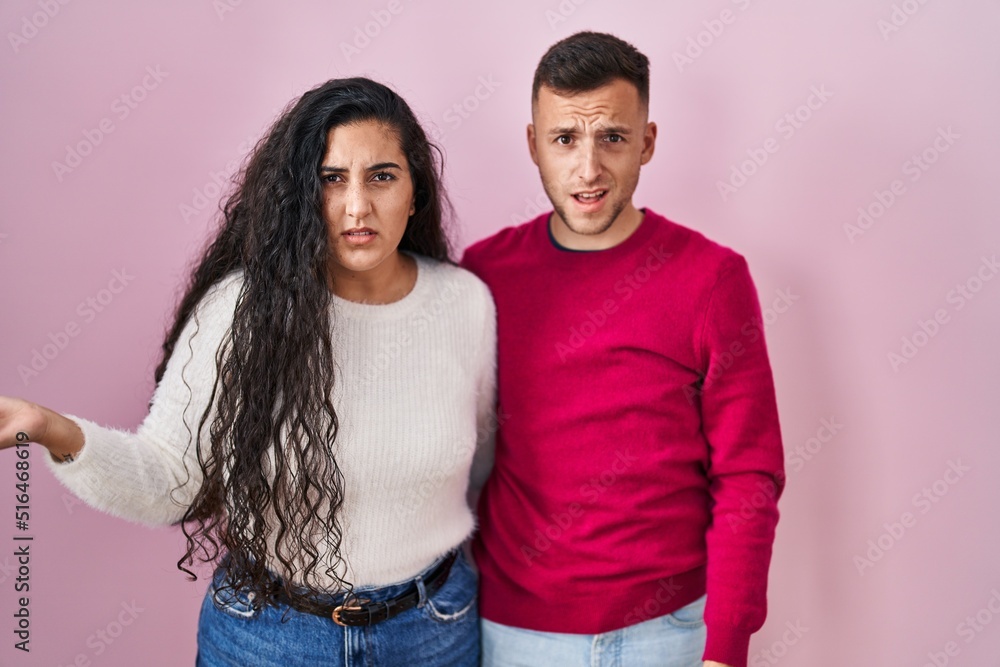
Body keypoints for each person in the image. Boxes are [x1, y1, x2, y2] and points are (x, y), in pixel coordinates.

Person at [0, 77, 496, 666]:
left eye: (381, 176)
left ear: (415, 192)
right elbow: (169, 480)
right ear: (296, 195)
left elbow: (481, 462)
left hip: (433, 632)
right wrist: (50, 428)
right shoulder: (241, 309)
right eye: (330, 179)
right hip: (268, 637)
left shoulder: (465, 304)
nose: (357, 205)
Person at [460, 32, 785, 667]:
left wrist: (726, 648)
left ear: (647, 142)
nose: (588, 168)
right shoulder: (484, 276)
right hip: (514, 633)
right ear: (534, 145)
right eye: (565, 139)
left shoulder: (712, 279)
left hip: (670, 634)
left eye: (611, 136)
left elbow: (749, 474)